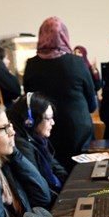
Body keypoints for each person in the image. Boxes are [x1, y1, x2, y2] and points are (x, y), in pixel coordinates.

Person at [23, 17, 97, 169]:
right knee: (83, 176)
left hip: (46, 133)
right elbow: (92, 104)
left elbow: (29, 100)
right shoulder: (76, 62)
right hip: (78, 133)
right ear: (64, 36)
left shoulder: (31, 65)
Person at [7, 92, 68, 203]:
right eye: (48, 119)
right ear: (29, 121)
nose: (52, 123)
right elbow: (37, 186)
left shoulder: (39, 140)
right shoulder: (22, 146)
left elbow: (57, 168)